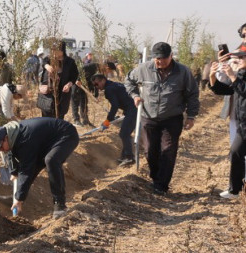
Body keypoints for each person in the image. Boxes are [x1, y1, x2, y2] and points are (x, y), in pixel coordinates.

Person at [125, 41, 200, 194]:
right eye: (157, 58)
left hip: (172, 118)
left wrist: (191, 116)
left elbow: (193, 93)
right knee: (150, 150)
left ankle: (161, 185)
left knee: (168, 150)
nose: (160, 62)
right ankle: (156, 178)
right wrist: (135, 96)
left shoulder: (183, 72)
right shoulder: (144, 69)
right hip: (148, 117)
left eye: (163, 58)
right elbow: (128, 80)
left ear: (171, 56)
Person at [0, 117, 79, 218]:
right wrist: (14, 172)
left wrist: (19, 198)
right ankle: (16, 198)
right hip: (45, 141)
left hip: (66, 134)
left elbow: (26, 170)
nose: (0, 150)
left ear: (5, 138)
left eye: (0, 147)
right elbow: (9, 153)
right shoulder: (11, 134)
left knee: (51, 160)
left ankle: (60, 204)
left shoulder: (25, 138)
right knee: (35, 165)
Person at [210, 52, 246, 199]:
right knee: (236, 152)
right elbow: (225, 89)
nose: (239, 60)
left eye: (243, 57)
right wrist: (212, 76)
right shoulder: (241, 75)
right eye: (239, 57)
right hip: (243, 124)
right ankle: (235, 190)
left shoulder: (238, 76)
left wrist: (232, 76)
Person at [90, 72, 137, 166]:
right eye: (94, 85)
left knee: (124, 134)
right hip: (132, 109)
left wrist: (108, 120)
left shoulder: (109, 89)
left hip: (133, 110)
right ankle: (125, 156)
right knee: (125, 133)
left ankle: (129, 158)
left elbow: (115, 106)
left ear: (103, 80)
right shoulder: (114, 84)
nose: (96, 87)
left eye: (97, 84)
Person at [38, 40, 78, 119]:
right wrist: (47, 66)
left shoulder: (70, 62)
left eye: (55, 50)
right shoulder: (49, 59)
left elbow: (74, 76)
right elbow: (44, 62)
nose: (53, 52)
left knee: (59, 117)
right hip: (47, 94)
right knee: (46, 117)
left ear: (62, 51)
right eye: (52, 50)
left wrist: (68, 85)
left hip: (62, 94)